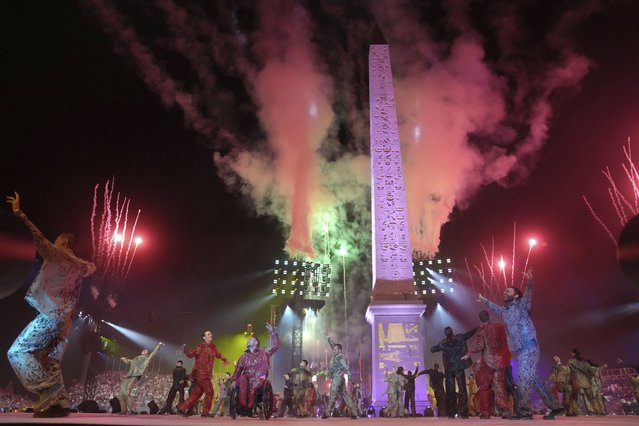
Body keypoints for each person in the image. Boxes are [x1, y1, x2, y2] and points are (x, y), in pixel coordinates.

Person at [5, 192, 97, 418]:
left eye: (57, 240)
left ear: (63, 242)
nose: (53, 242)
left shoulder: (57, 254)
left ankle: (46, 387)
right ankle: (61, 403)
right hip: (65, 321)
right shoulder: (81, 266)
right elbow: (90, 269)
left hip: (50, 316)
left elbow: (37, 237)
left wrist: (19, 213)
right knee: (50, 360)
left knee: (17, 352)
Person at [478, 269, 565, 420]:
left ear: (516, 295)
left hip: (529, 346)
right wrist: (485, 301)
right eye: (505, 291)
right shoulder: (505, 311)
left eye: (508, 291)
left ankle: (525, 411)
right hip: (521, 349)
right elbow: (495, 307)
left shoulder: (522, 305)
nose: (505, 292)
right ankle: (557, 407)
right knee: (534, 380)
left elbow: (529, 294)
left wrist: (530, 282)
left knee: (523, 379)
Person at [464, 310, 511, 419]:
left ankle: (486, 412)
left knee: (485, 386)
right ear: (488, 317)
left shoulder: (482, 330)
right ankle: (504, 410)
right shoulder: (500, 327)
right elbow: (505, 342)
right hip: (500, 360)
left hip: (488, 361)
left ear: (480, 318)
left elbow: (479, 346)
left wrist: (469, 353)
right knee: (499, 385)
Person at [231, 322, 280, 414]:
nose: (248, 340)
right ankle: (242, 405)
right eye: (248, 340)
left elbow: (276, 346)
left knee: (253, 386)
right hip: (246, 378)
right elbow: (238, 370)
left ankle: (249, 407)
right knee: (241, 378)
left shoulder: (264, 352)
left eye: (251, 339)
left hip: (259, 378)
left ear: (256, 342)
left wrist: (273, 332)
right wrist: (234, 380)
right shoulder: (243, 357)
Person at [178, 330, 229, 417]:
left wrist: (225, 359)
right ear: (204, 337)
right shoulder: (200, 347)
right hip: (201, 373)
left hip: (207, 373)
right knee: (210, 391)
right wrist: (185, 349)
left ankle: (182, 409)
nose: (210, 335)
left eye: (211, 334)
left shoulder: (213, 347)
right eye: (208, 334)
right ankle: (205, 412)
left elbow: (218, 354)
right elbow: (191, 354)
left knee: (196, 394)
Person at [430, 325, 477, 418]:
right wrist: (477, 327)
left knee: (450, 390)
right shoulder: (459, 338)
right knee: (462, 389)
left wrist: (438, 347)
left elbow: (432, 349)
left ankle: (451, 413)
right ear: (452, 331)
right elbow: (470, 333)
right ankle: (463, 412)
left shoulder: (442, 343)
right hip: (458, 367)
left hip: (449, 369)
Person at [118, 343, 163, 414]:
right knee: (121, 394)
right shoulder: (137, 358)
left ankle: (133, 410)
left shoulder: (146, 358)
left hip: (136, 375)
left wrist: (158, 346)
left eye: (146, 351)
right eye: (144, 350)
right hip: (129, 375)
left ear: (147, 353)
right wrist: (124, 359)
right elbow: (130, 361)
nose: (144, 350)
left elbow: (154, 353)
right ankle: (123, 410)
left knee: (126, 393)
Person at [321, 336, 359, 419]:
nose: (333, 350)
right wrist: (328, 338)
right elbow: (333, 345)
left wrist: (350, 377)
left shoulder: (340, 357)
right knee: (345, 396)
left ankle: (327, 413)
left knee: (333, 394)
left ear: (339, 350)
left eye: (335, 349)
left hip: (337, 377)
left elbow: (346, 367)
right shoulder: (336, 355)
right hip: (339, 378)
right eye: (333, 349)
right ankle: (355, 413)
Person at [567, 349, 597, 416]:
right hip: (585, 381)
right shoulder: (585, 362)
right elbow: (592, 372)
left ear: (573, 354)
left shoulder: (571, 361)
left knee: (574, 397)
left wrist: (569, 382)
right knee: (588, 397)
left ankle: (574, 412)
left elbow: (568, 372)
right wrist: (588, 378)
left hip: (576, 381)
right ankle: (592, 411)